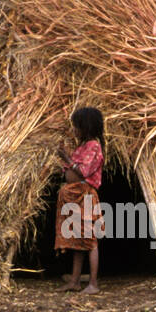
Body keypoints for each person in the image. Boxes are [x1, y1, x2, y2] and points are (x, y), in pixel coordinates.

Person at [54, 106, 105, 294]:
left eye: (77, 126)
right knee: (77, 239)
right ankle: (75, 281)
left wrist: (67, 158)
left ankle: (93, 284)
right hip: (74, 196)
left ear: (86, 126)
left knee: (90, 240)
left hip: (85, 196)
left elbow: (83, 171)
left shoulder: (94, 146)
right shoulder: (83, 146)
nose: (74, 130)